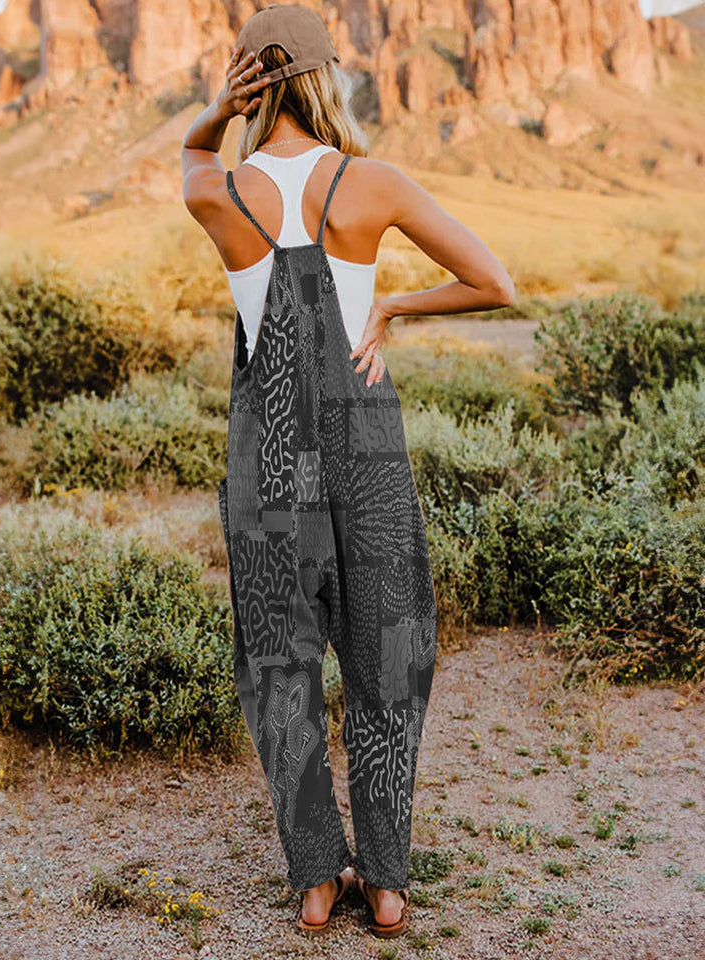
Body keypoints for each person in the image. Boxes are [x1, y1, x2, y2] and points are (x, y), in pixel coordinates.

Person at [181, 3, 515, 940]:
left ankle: (317, 881)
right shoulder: (372, 182)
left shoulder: (219, 192)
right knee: (387, 650)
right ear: (327, 78)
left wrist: (217, 110)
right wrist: (395, 305)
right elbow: (497, 281)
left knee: (278, 662)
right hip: (365, 445)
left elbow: (190, 160)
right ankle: (391, 881)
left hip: (267, 453)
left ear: (251, 83)